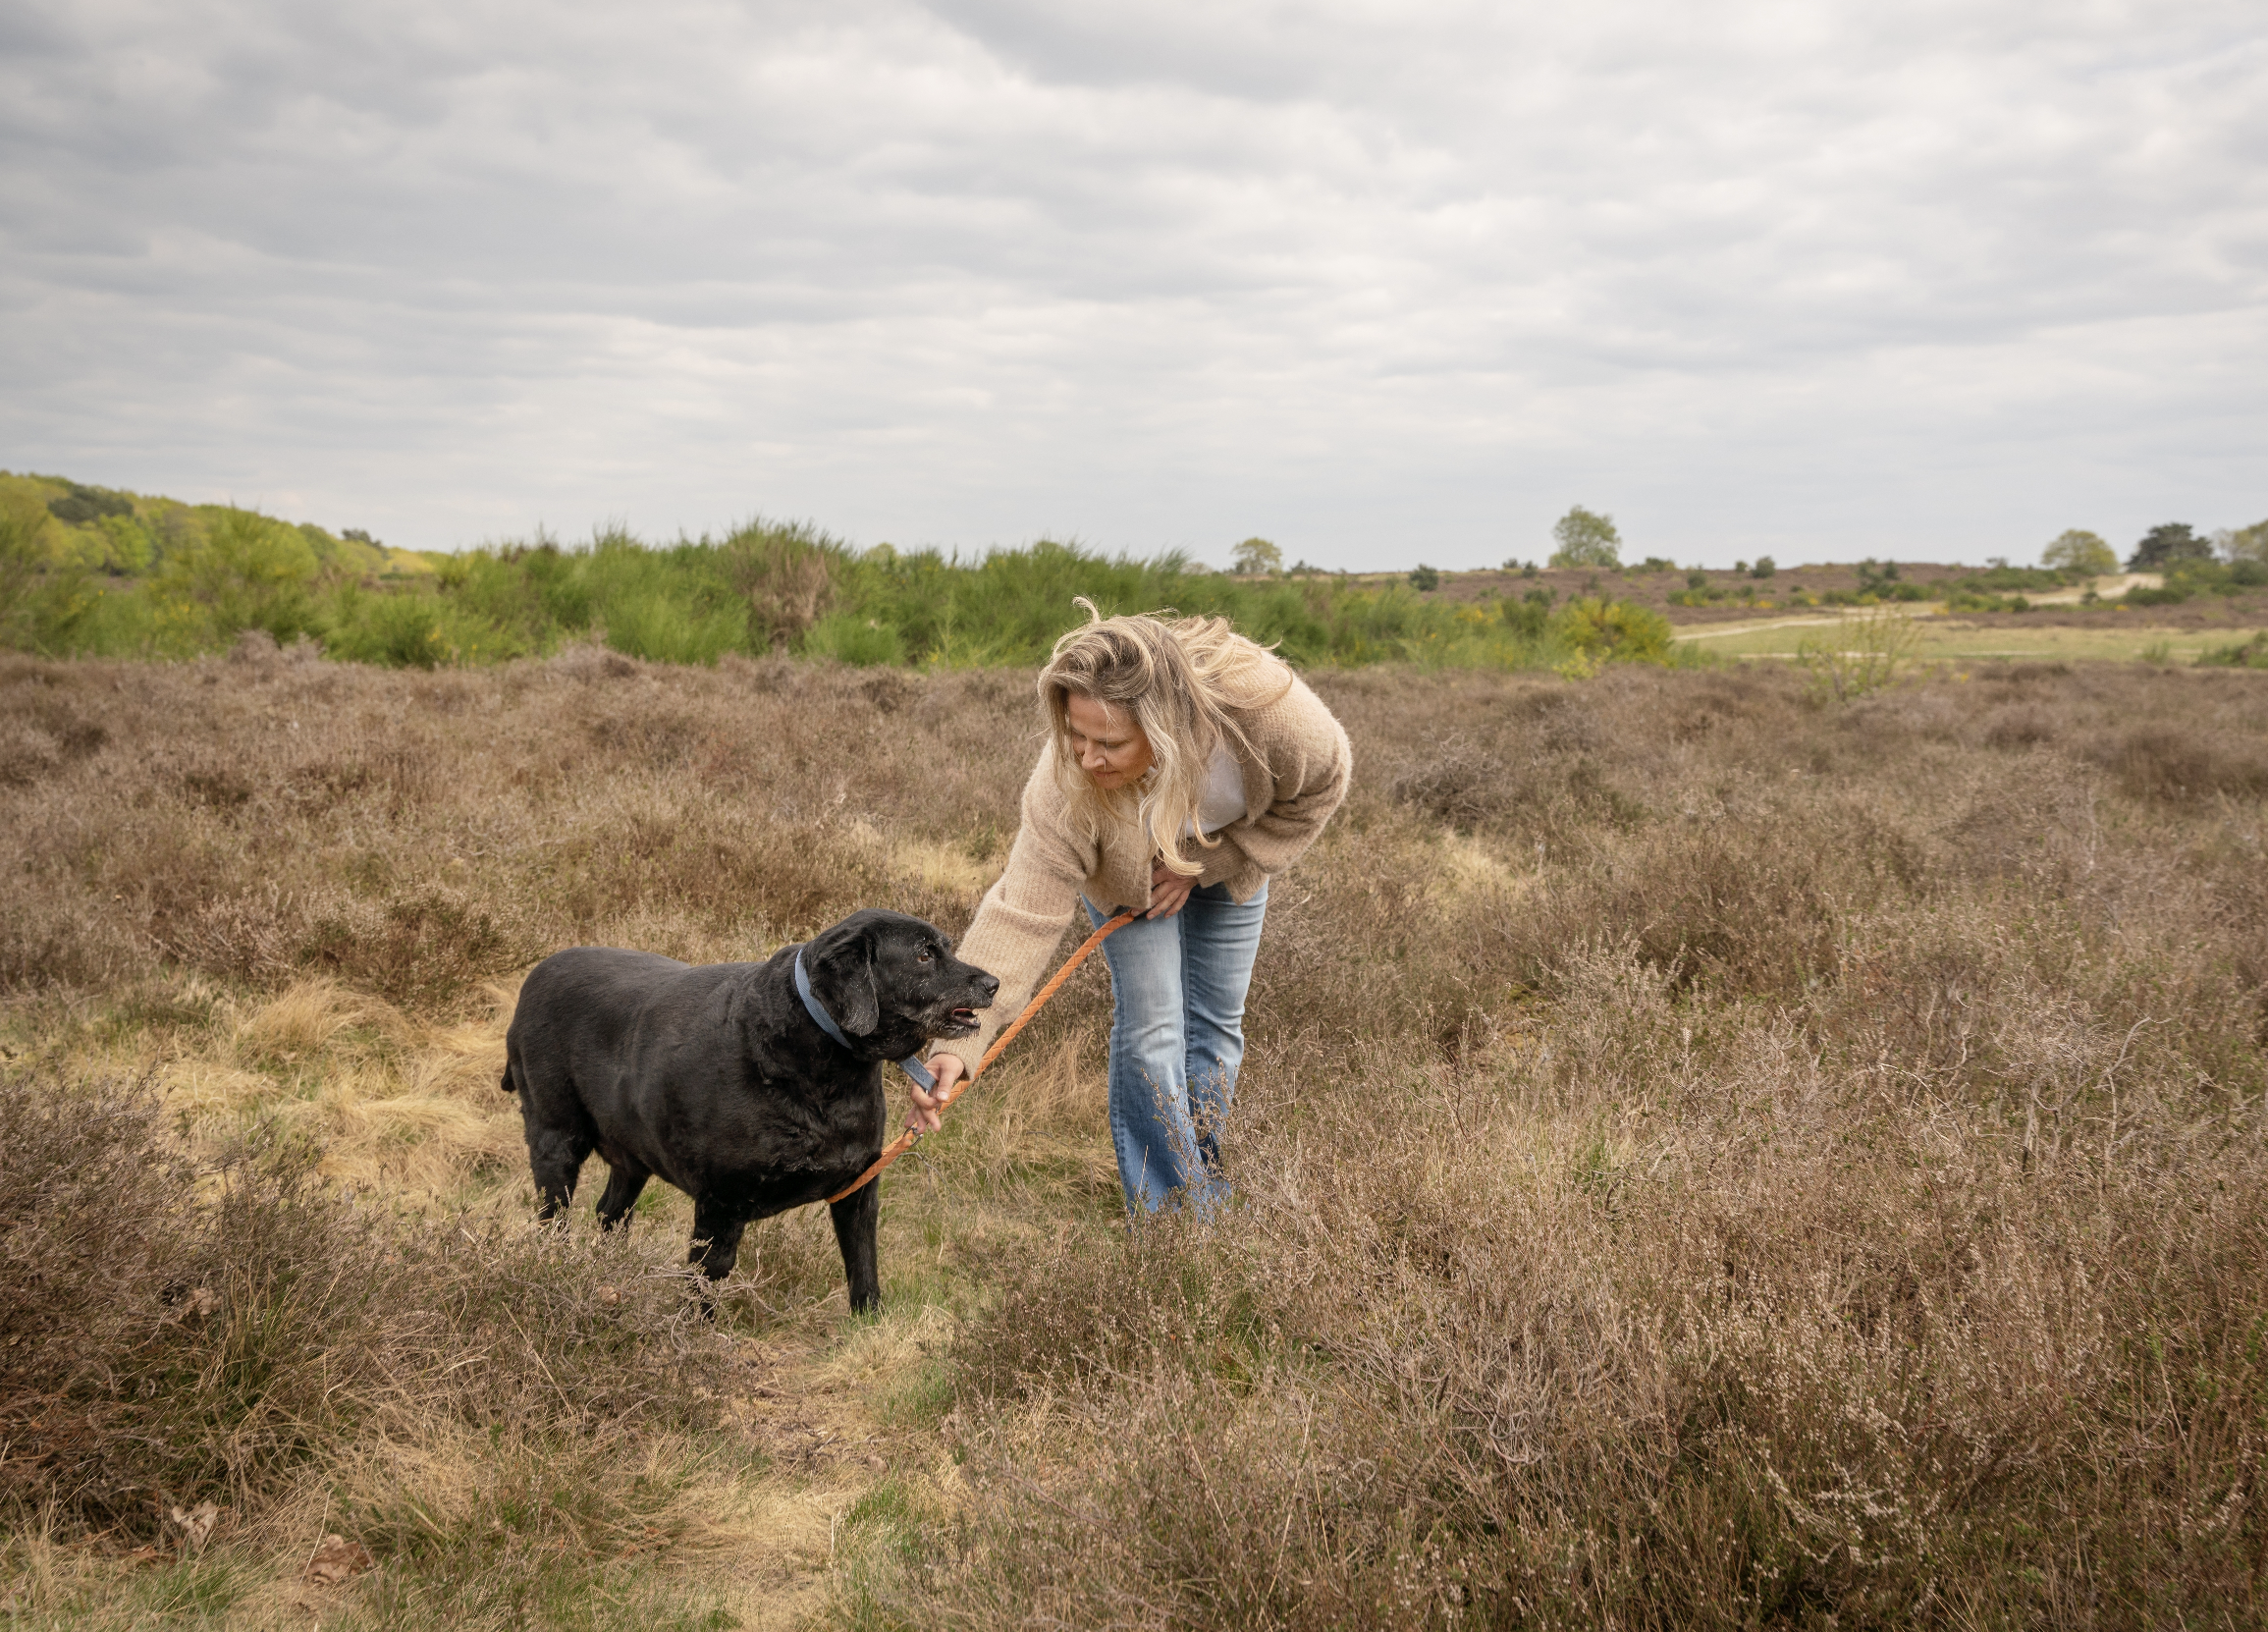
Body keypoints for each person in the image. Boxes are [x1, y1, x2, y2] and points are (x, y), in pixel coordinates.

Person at [909, 602, 1352, 1215]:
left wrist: (1206, 864)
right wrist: (959, 1041)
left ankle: (1208, 1189)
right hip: (1128, 879)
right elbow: (1019, 913)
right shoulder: (1065, 787)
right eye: (1075, 735)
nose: (1088, 759)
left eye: (1111, 743)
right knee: (1154, 1029)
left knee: (1216, 1026)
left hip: (1228, 858)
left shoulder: (1268, 714)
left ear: (1166, 727)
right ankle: (1172, 1218)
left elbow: (1320, 789)